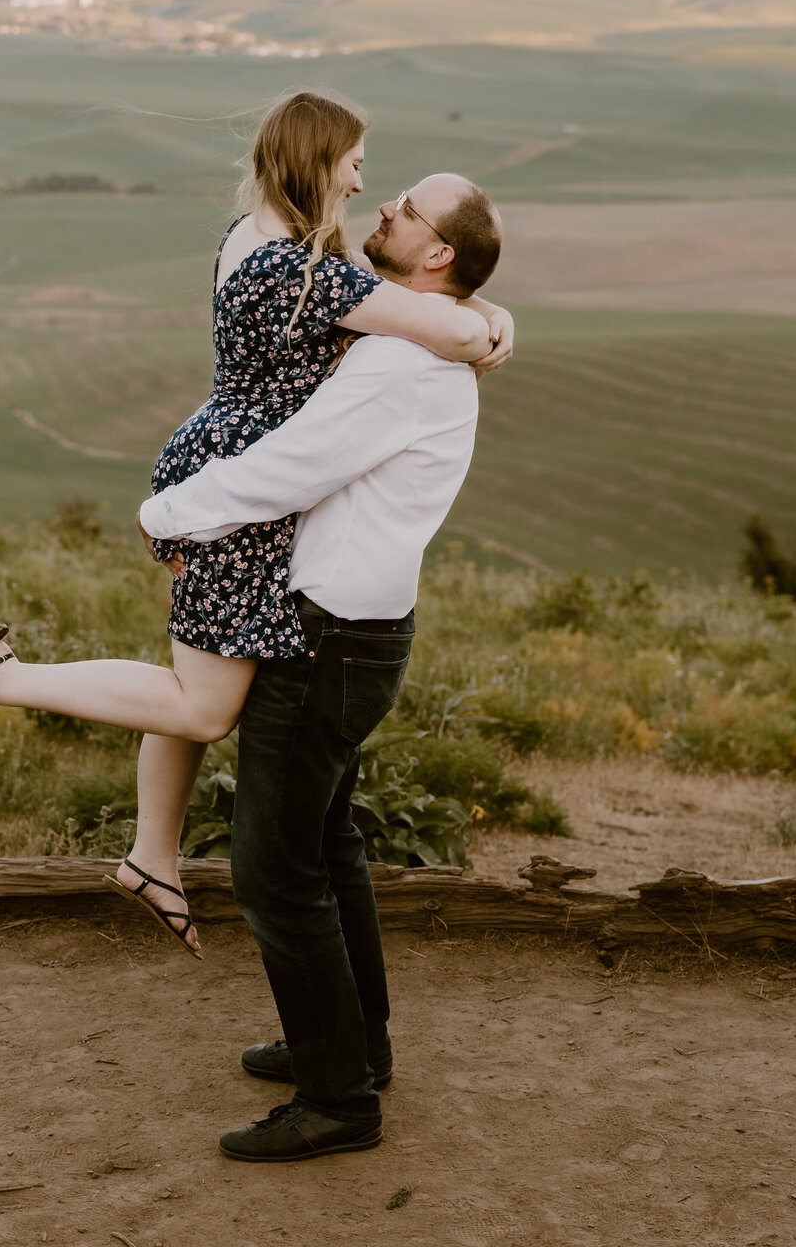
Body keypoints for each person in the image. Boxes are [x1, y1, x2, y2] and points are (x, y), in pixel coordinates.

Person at [0, 90, 514, 958]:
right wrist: (493, 319)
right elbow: (449, 328)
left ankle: (152, 857)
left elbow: (442, 316)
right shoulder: (302, 272)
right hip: (237, 492)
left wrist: (485, 313)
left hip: (224, 471)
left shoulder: (264, 240)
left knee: (192, 677)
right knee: (203, 706)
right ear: (318, 162)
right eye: (356, 162)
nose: (366, 181)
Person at [136, 171, 503, 1161]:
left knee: (273, 869)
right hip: (357, 633)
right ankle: (355, 1046)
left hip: (327, 638)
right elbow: (463, 315)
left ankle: (338, 1099)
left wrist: (164, 512)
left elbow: (291, 468)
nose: (382, 207)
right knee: (329, 846)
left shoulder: (403, 366)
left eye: (407, 211)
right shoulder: (424, 336)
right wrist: (489, 315)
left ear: (437, 256)